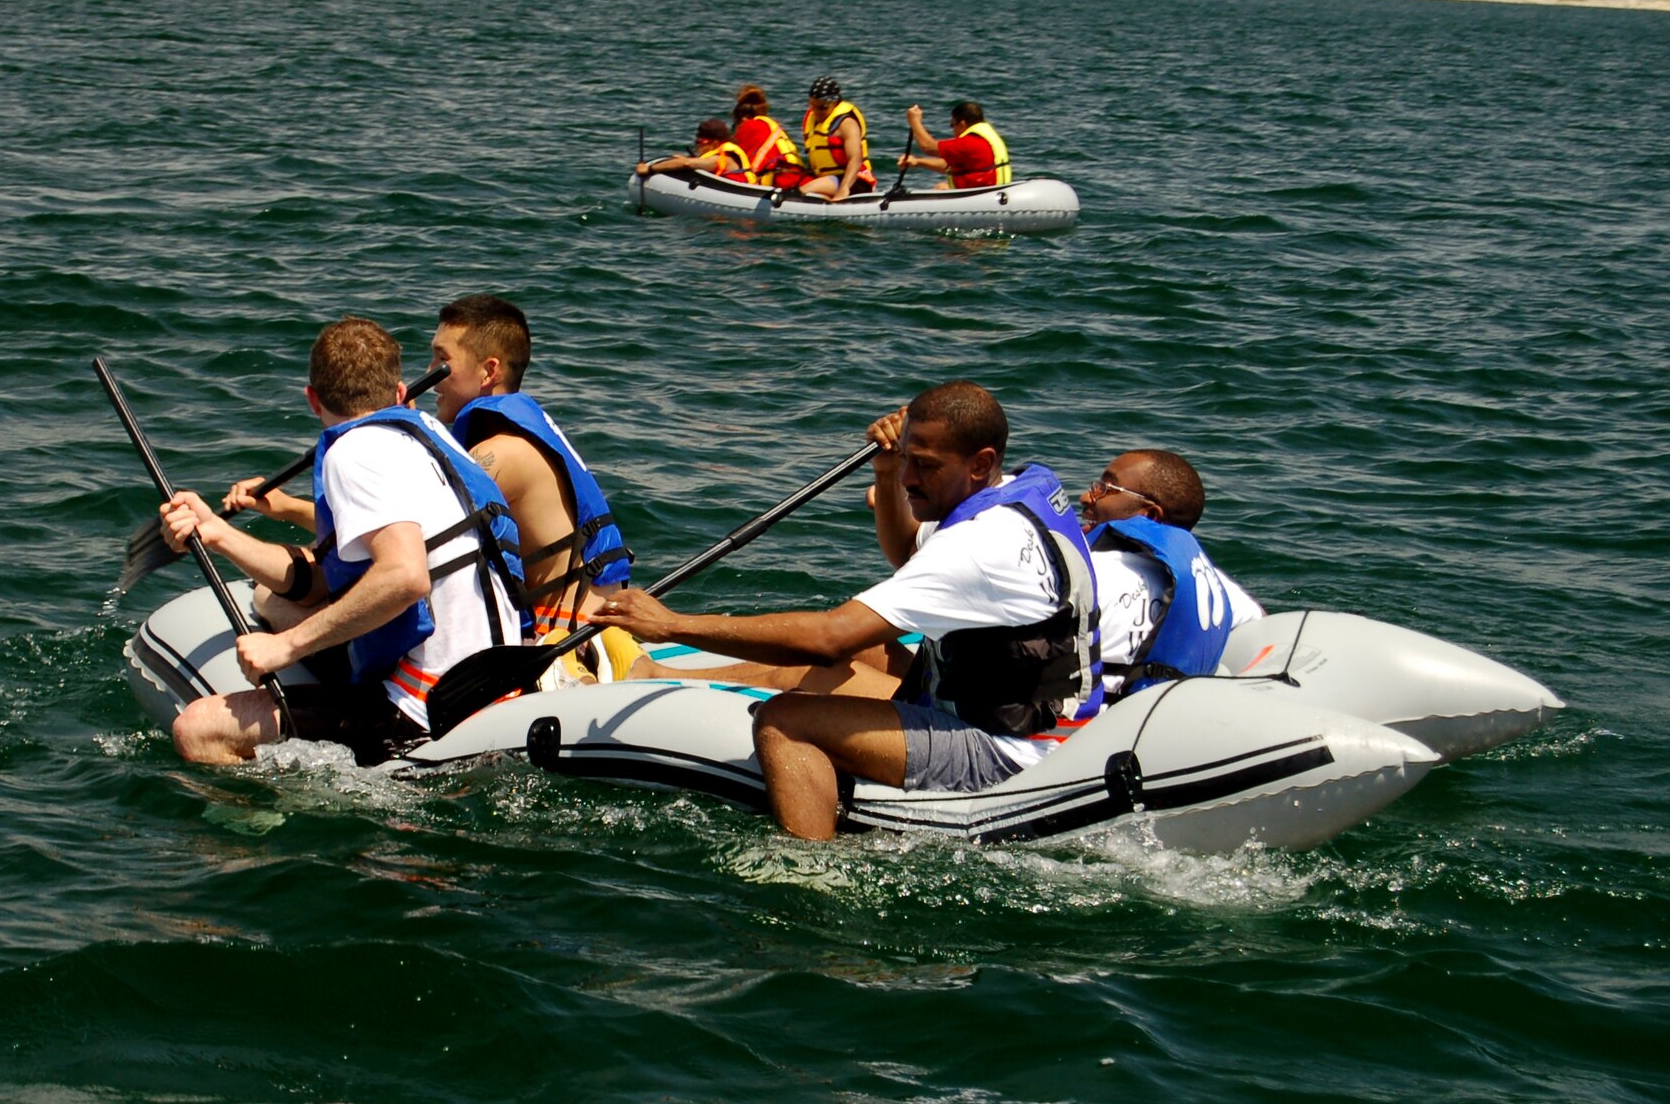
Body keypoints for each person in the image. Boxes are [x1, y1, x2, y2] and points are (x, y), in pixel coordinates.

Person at [592, 382, 1102, 841]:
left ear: (978, 462)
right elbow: (907, 553)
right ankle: (655, 671)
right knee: (871, 647)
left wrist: (672, 624)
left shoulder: (979, 546)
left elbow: (828, 637)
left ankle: (810, 874)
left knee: (786, 720)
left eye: (924, 465)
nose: (907, 478)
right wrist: (883, 468)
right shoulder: (1019, 492)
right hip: (1020, 709)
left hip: (1009, 751)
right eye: (905, 459)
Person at [157, 318, 524, 766]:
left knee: (197, 729)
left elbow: (405, 577)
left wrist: (286, 647)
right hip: (495, 676)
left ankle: (265, 834)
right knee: (271, 600)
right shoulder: (428, 435)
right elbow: (317, 581)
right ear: (398, 393)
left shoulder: (353, 453)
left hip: (429, 708)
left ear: (313, 400)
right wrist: (218, 534)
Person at [428, 294, 637, 651]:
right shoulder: (513, 437)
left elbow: (400, 532)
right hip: (591, 625)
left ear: (488, 371)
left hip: (571, 641)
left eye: (442, 360)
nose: (430, 373)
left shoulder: (499, 454)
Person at [1079, 450, 1264, 700]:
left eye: (1106, 488)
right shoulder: (1208, 583)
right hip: (1160, 718)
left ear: (1151, 515)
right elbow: (1260, 620)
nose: (1086, 497)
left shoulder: (1089, 573)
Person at [897, 101, 1011, 190]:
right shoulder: (985, 137)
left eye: (952, 125)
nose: (953, 130)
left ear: (962, 124)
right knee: (942, 187)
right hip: (991, 192)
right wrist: (918, 162)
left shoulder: (970, 142)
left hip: (983, 197)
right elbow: (949, 165)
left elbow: (928, 147)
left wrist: (914, 121)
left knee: (940, 188)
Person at [798, 76, 876, 201]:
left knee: (803, 191)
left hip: (854, 181)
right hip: (827, 180)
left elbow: (855, 159)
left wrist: (844, 188)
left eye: (822, 108)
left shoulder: (847, 124)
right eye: (812, 106)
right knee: (808, 195)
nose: (816, 111)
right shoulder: (812, 121)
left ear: (834, 103)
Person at [729, 84, 808, 191]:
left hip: (780, 182)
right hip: (798, 177)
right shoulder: (772, 126)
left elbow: (736, 162)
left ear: (743, 119)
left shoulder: (748, 126)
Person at [635, 118, 752, 182]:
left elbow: (686, 164)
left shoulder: (724, 159)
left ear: (715, 143)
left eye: (700, 143)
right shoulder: (724, 155)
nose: (697, 147)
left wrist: (649, 169)